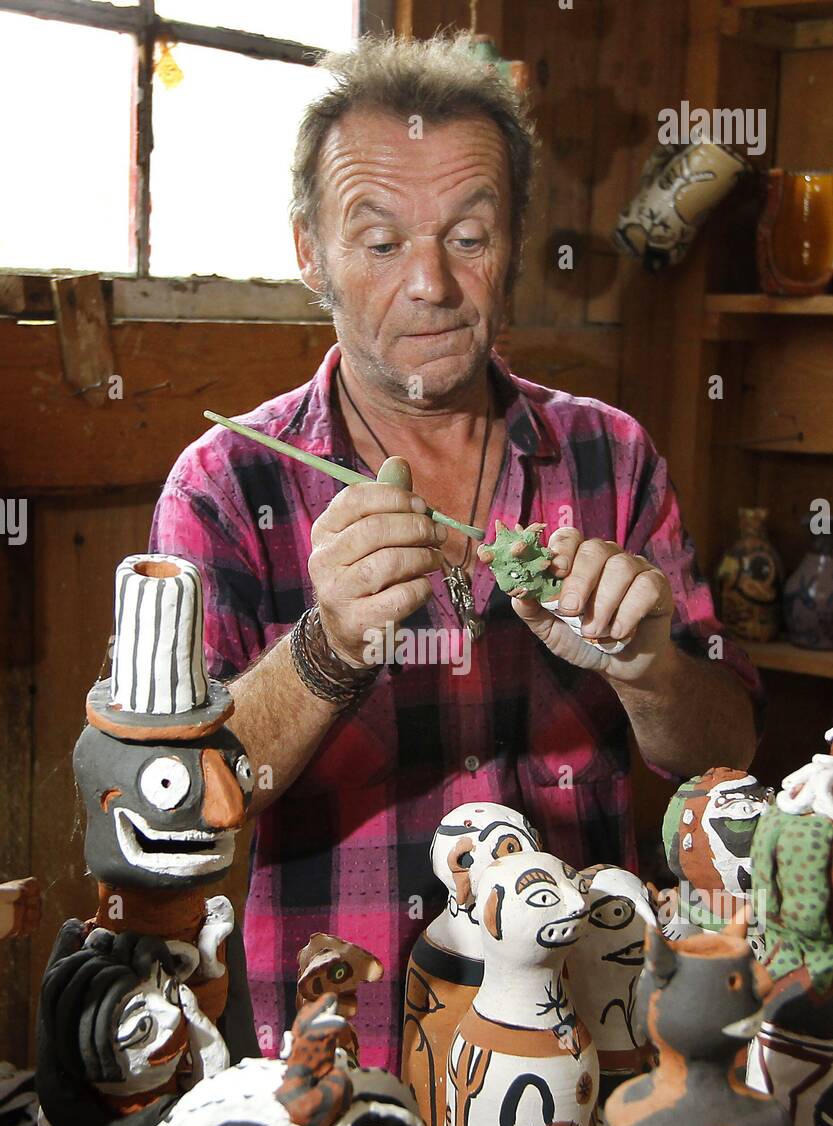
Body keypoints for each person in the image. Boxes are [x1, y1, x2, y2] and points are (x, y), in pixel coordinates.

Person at [150, 34, 761, 1072]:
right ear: (310, 252)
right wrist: (327, 646)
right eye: (379, 241)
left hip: (588, 1041)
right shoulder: (225, 486)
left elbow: (726, 754)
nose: (430, 283)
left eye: (467, 235)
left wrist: (647, 665)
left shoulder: (608, 455)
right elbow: (181, 800)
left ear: (513, 242)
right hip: (341, 1054)